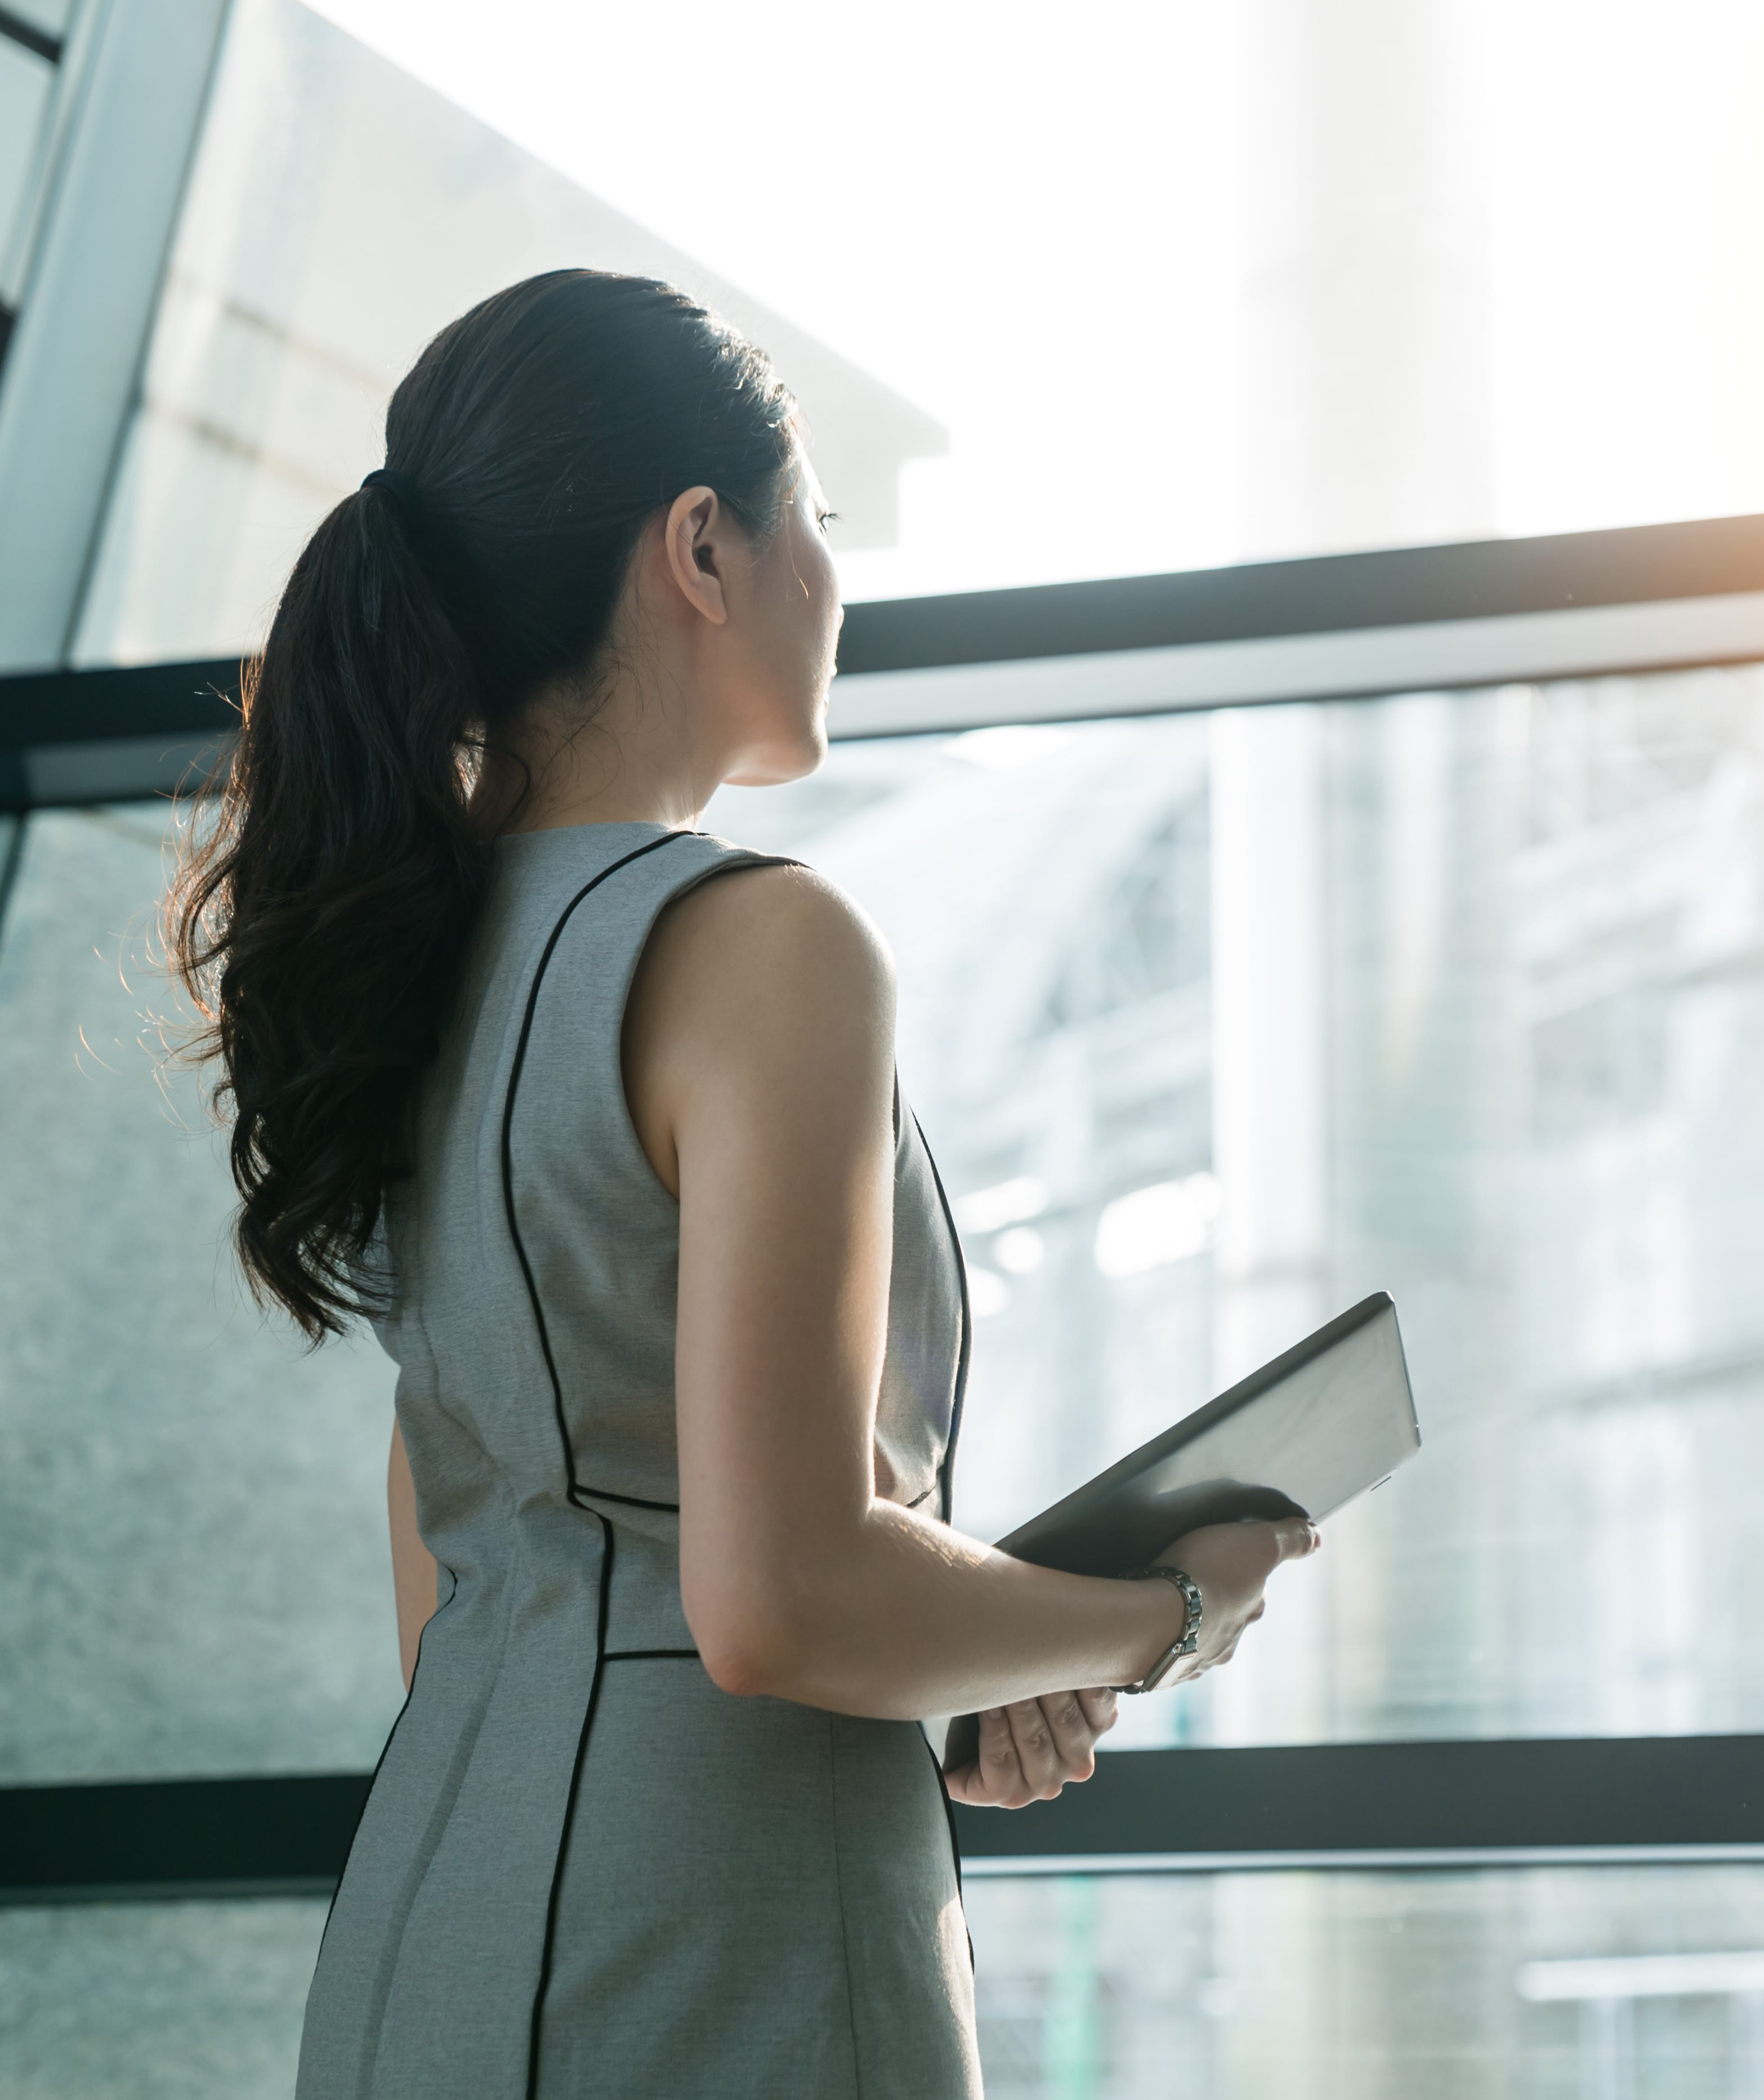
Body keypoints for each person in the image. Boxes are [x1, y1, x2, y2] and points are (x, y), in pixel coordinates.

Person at [169, 268, 1318, 2100]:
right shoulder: (760, 945)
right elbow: (775, 1600)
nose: (834, 580)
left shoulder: (406, 959)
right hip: (719, 1954)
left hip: (426, 1943)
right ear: (701, 546)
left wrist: (945, 1655)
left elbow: (481, 1578)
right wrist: (1166, 1611)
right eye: (819, 522)